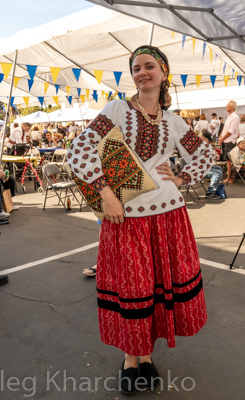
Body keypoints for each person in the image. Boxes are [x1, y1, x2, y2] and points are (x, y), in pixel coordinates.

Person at [68, 45, 214, 395]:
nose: (141, 73)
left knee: (157, 288)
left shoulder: (175, 121)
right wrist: (106, 195)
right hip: (126, 216)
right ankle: (130, 359)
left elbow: (207, 152)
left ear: (164, 73)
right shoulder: (117, 108)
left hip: (169, 215)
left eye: (149, 66)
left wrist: (181, 178)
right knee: (134, 288)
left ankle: (145, 357)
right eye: (136, 68)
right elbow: (80, 148)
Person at [218, 101, 240, 184]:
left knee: (229, 160)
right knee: (227, 160)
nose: (226, 106)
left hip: (229, 141)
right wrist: (221, 136)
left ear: (232, 107)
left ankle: (229, 178)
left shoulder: (235, 117)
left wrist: (222, 138)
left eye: (228, 105)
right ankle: (229, 177)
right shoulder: (229, 116)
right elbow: (224, 129)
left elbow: (231, 131)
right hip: (226, 140)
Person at [200, 132, 223, 200]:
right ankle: (210, 192)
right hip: (198, 169)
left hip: (203, 166)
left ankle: (215, 188)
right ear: (203, 139)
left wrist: (213, 156)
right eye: (208, 141)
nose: (209, 142)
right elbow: (201, 159)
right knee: (217, 173)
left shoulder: (205, 145)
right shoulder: (199, 146)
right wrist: (212, 156)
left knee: (219, 168)